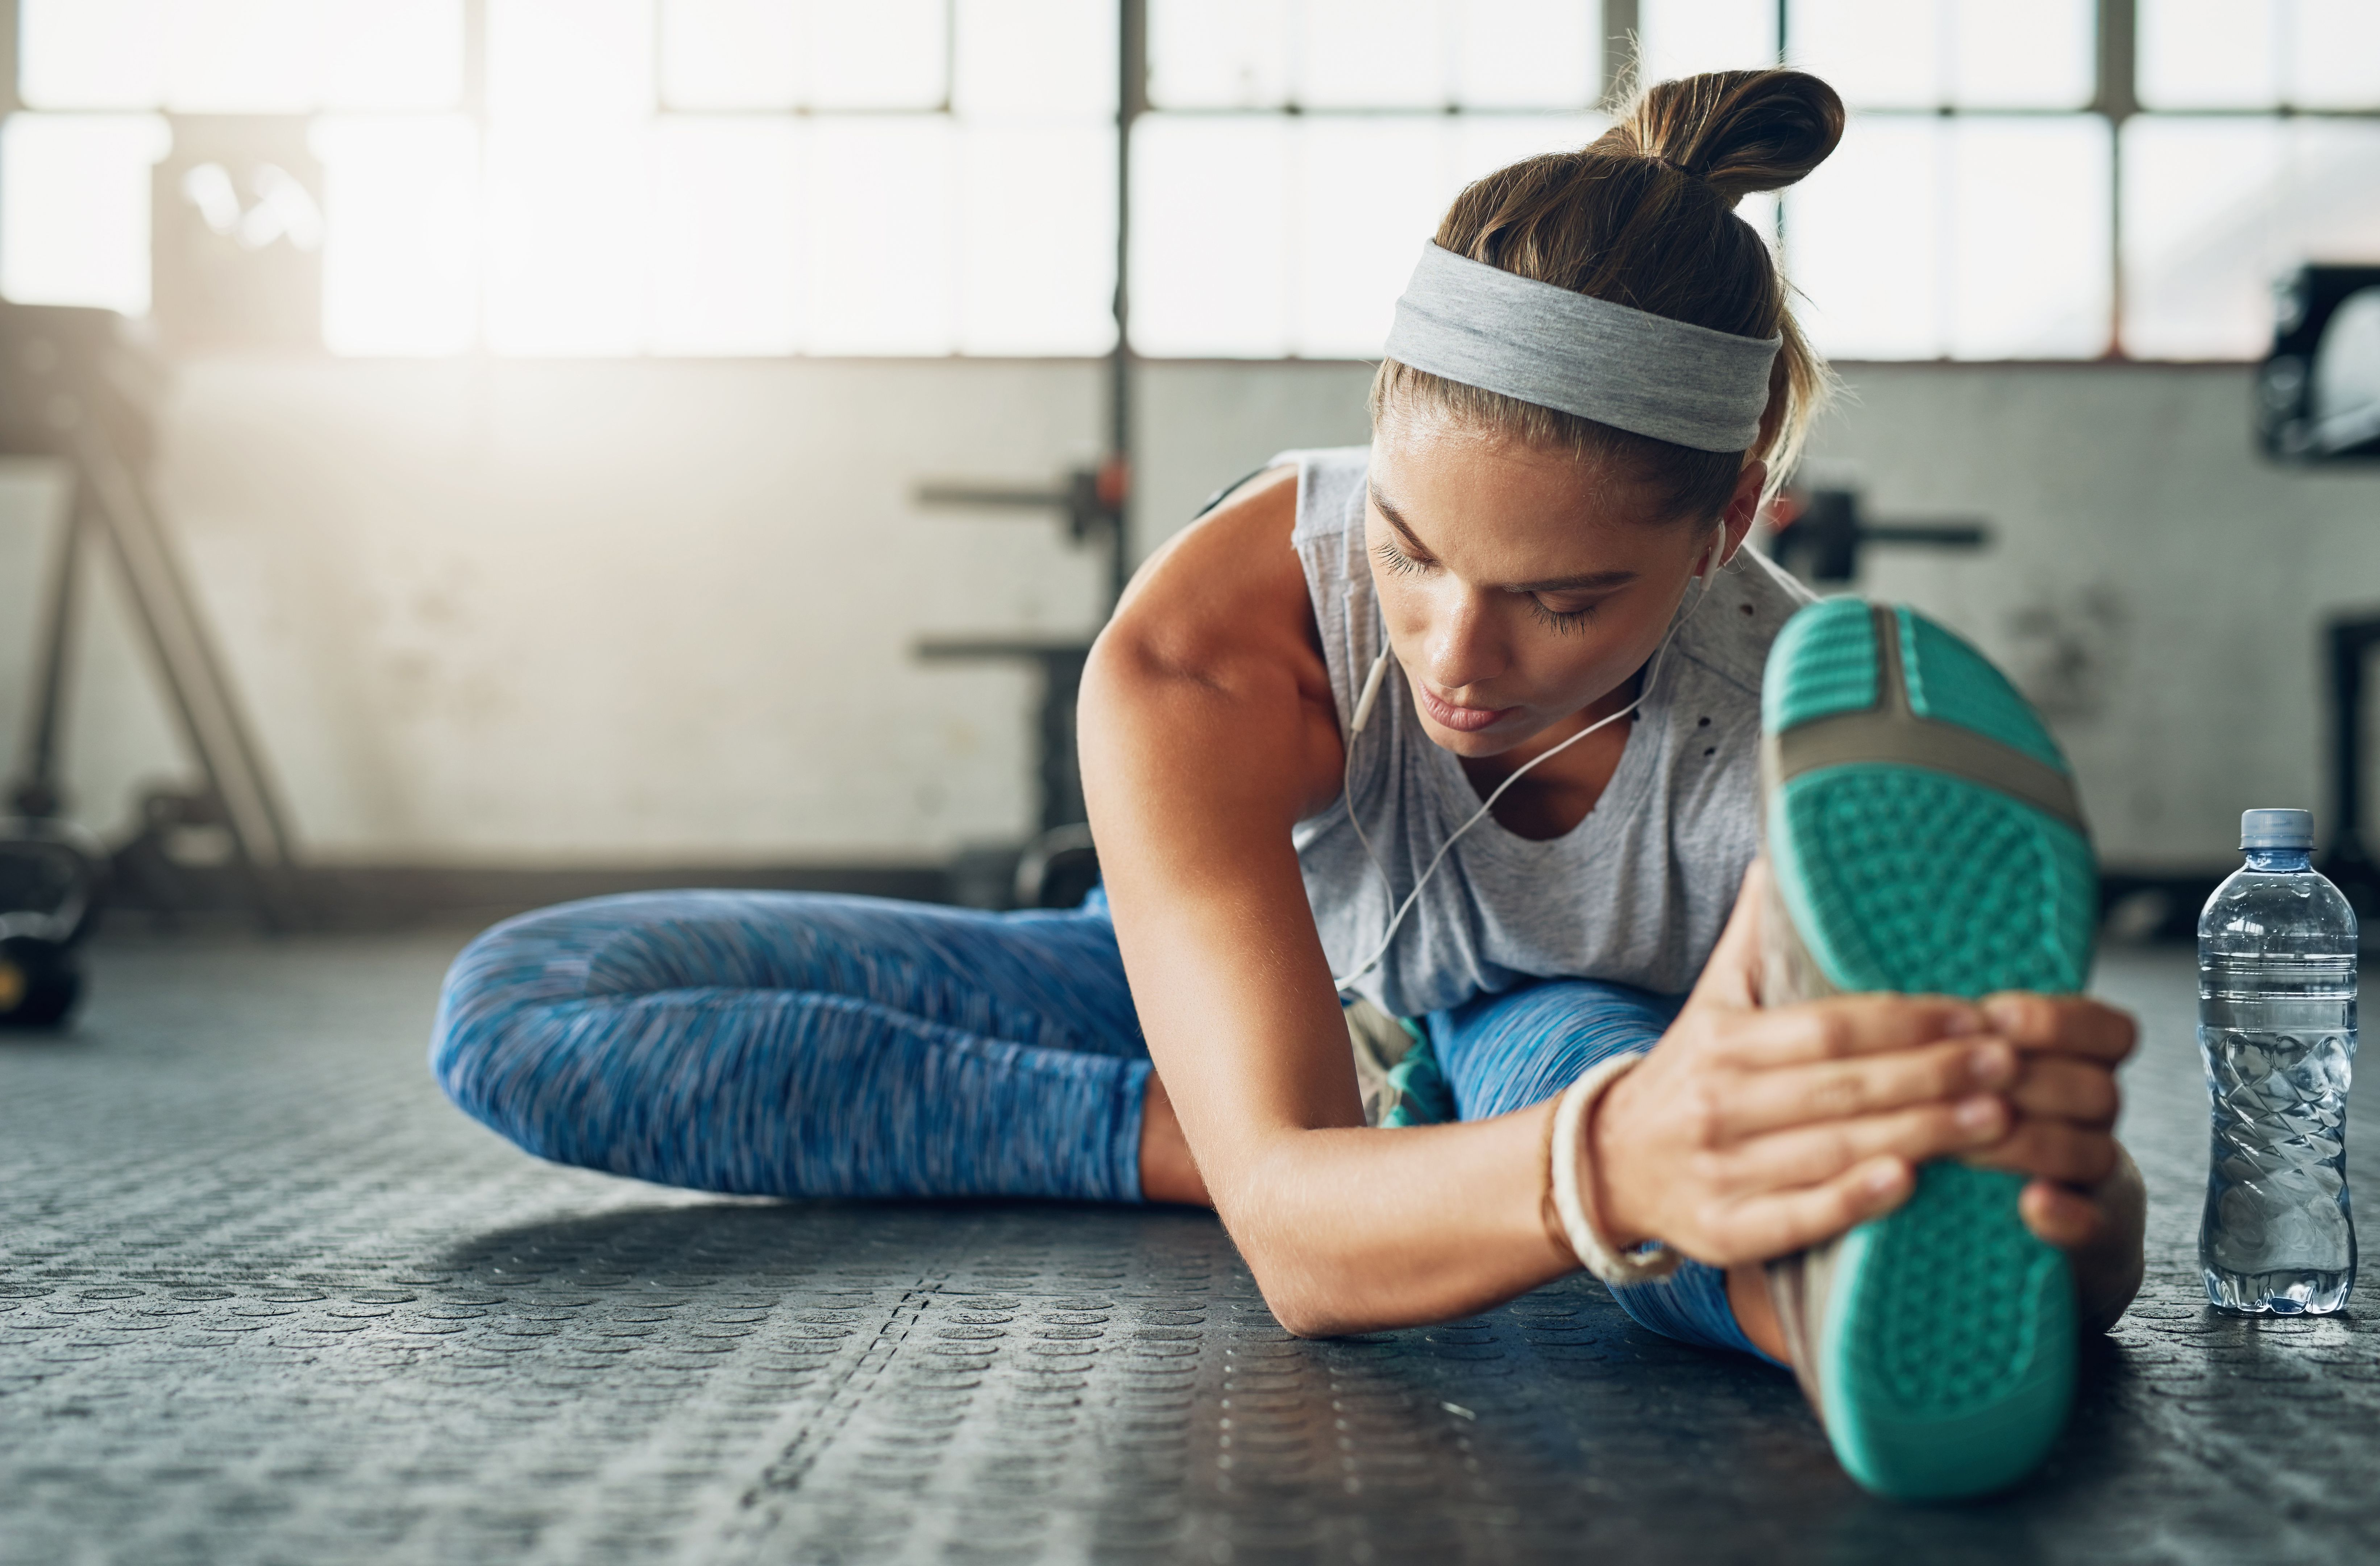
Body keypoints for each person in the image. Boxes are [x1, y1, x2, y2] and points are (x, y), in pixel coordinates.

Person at [430, 69, 2144, 1500]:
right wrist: (1310, 1166)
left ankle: (1792, 1288)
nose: (1457, 655)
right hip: (1214, 993)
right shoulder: (1209, 640)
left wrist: (2059, 1203)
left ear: (1730, 511)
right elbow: (1308, 1259)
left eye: (1562, 601)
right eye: (1408, 552)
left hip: (1556, 1044)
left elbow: (1843, 1148)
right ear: (1371, 458)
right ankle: (1290, 1146)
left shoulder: (1791, 744)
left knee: (1636, 1097)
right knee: (525, 1007)